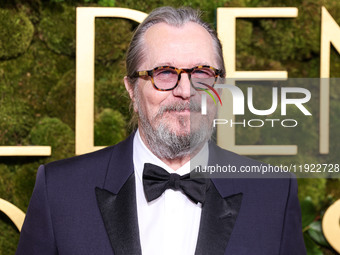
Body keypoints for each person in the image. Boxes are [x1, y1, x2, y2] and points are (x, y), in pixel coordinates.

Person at [16, 6, 306, 255]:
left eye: (202, 73)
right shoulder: (59, 190)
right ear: (131, 88)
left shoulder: (273, 194)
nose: (185, 91)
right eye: (164, 73)